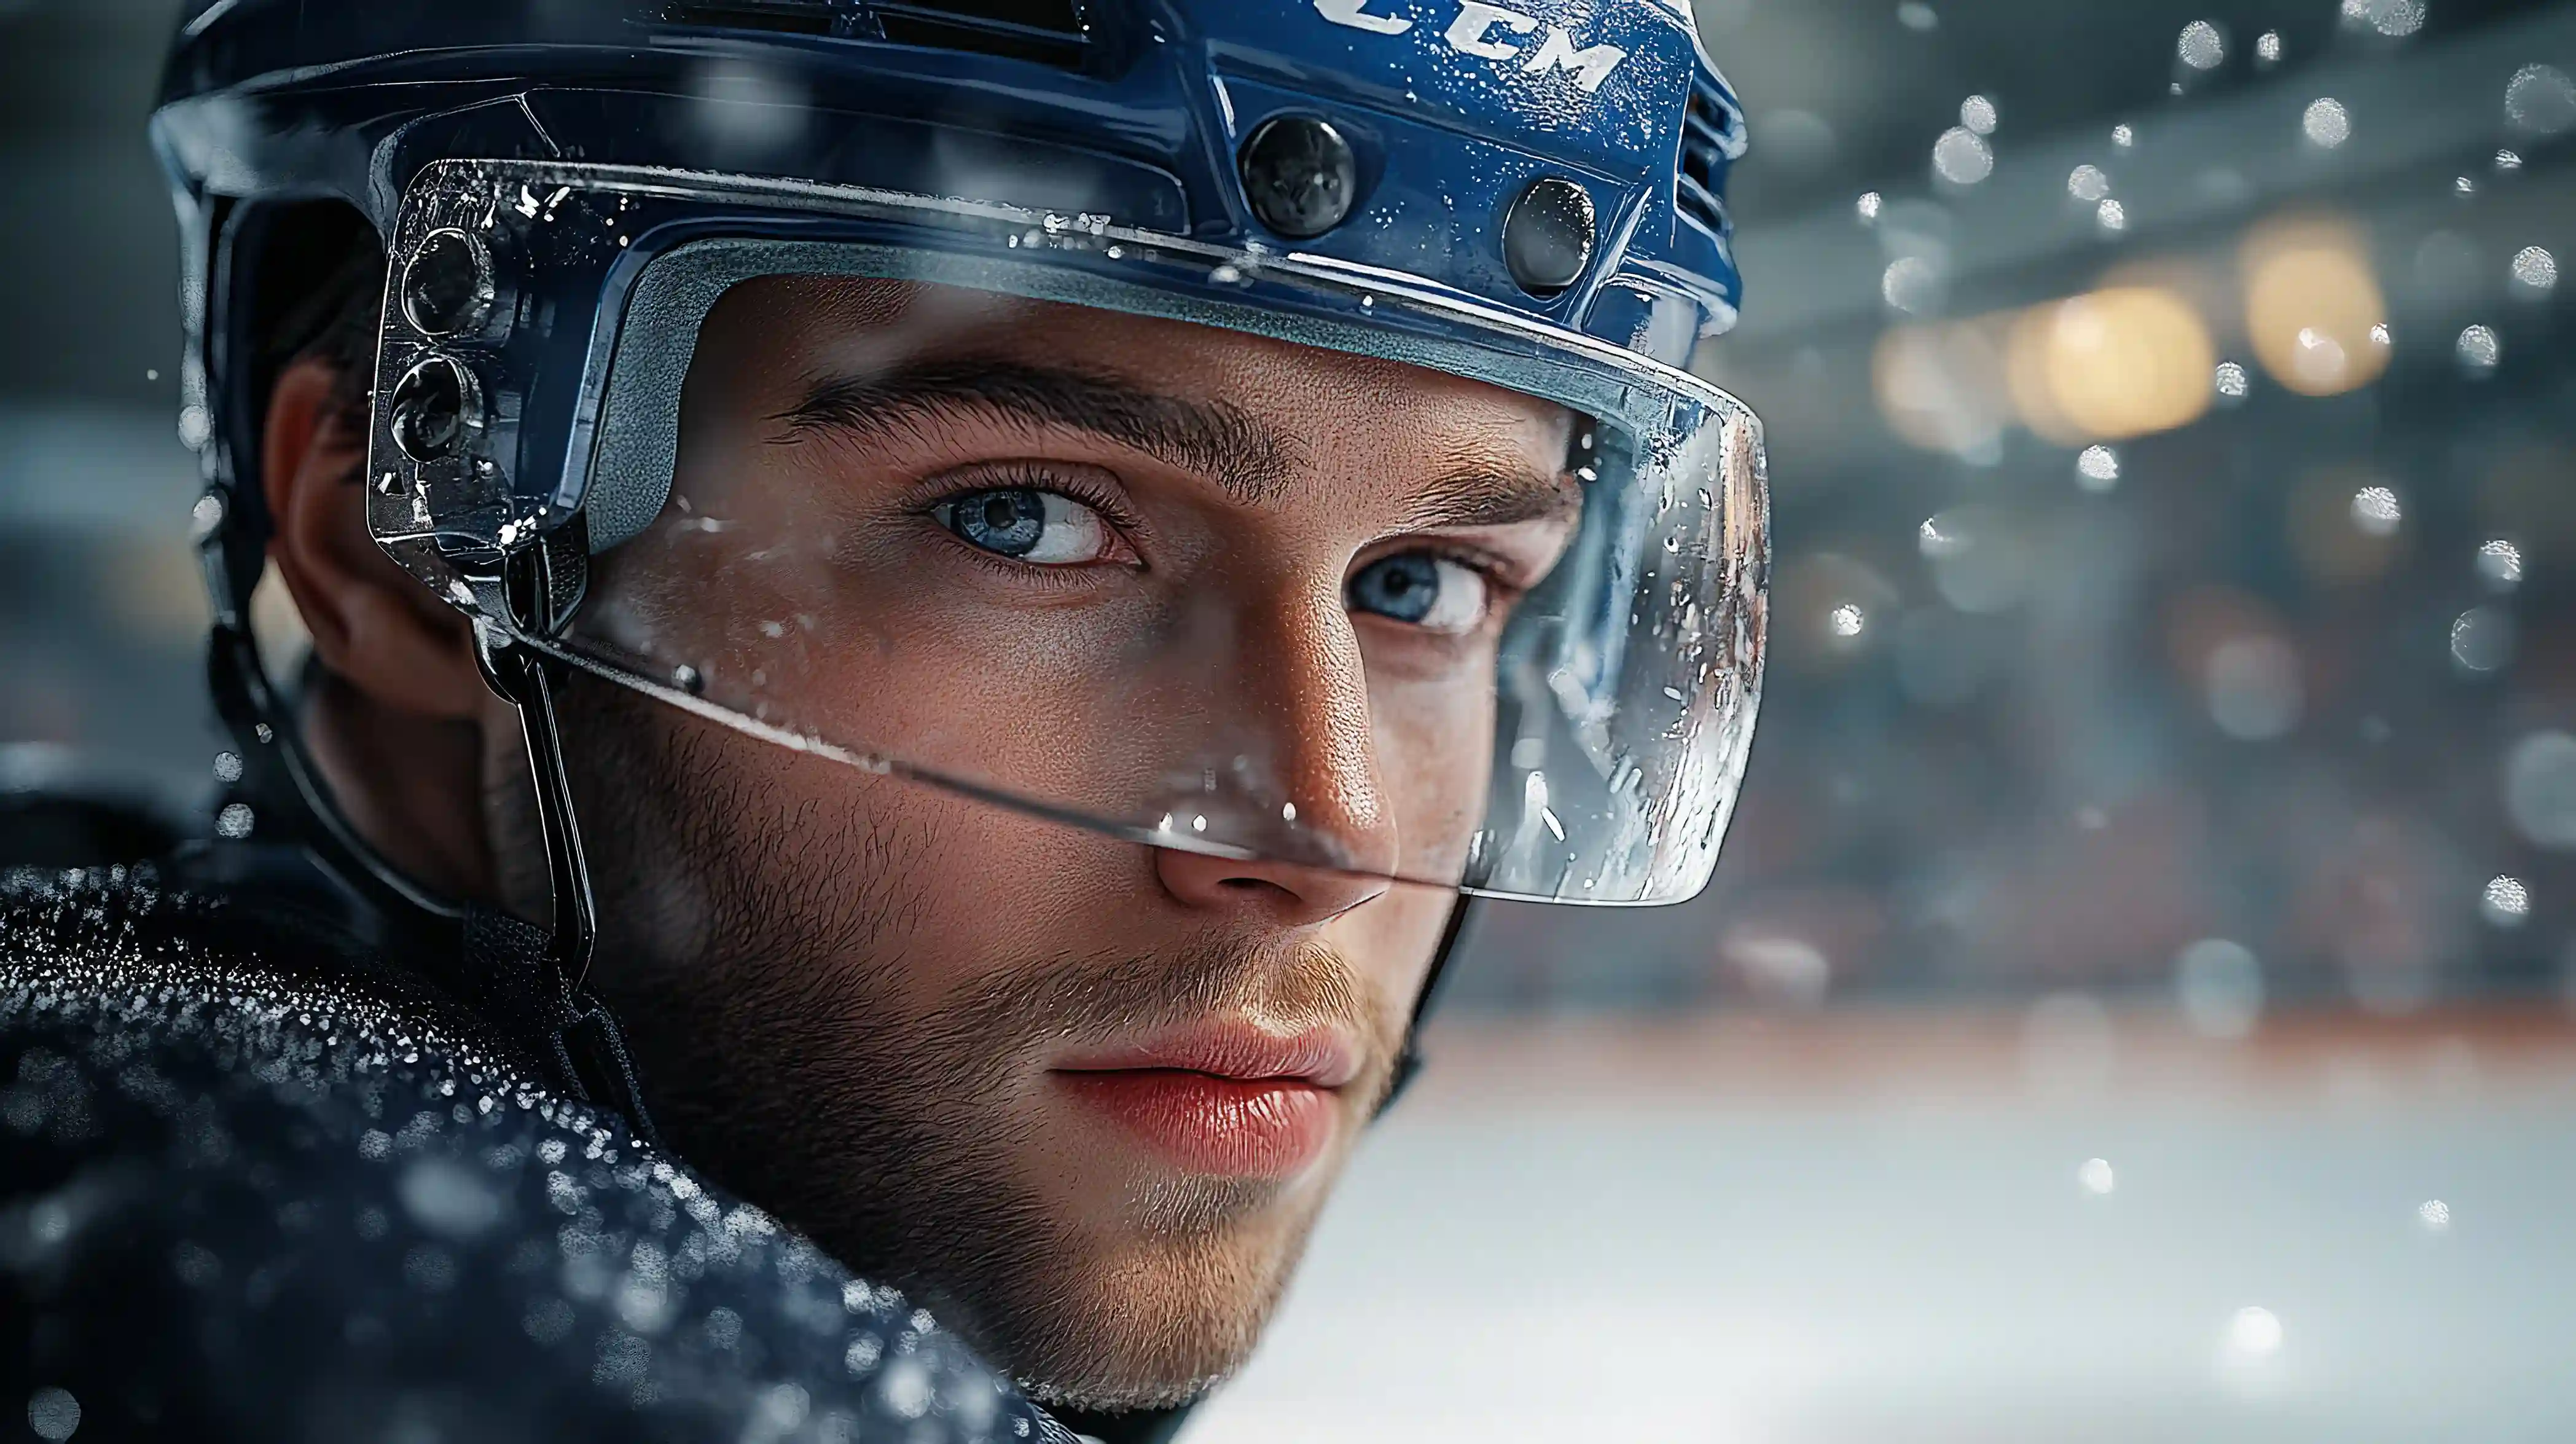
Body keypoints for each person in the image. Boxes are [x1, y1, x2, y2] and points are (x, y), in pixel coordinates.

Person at [2, 0, 1766, 1437]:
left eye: (1423, 586)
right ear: (394, 561)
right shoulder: (376, 1311)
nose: (1323, 829)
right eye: (1023, 517)